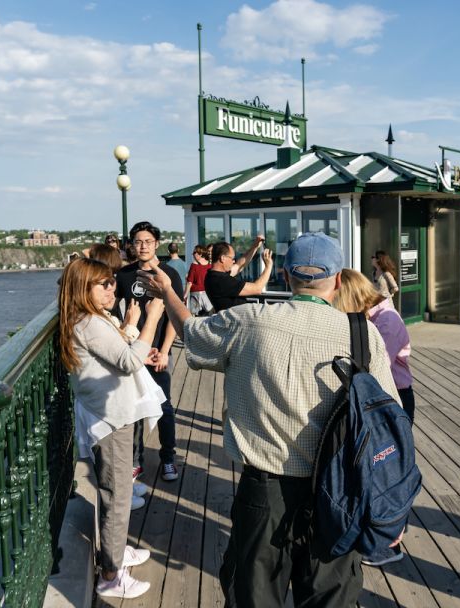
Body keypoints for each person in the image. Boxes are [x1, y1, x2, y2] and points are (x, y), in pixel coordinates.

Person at [137, 232, 402, 607]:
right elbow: (389, 421)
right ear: (338, 279)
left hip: (265, 493)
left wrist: (167, 293)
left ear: (287, 278)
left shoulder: (249, 322)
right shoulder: (363, 335)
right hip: (341, 491)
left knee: (254, 597)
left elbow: (192, 334)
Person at [58, 258, 165, 599]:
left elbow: (120, 353)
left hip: (111, 412)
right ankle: (110, 574)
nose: (111, 287)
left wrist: (131, 327)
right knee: (117, 496)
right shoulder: (89, 322)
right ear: (82, 288)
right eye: (102, 284)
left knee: (116, 491)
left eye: (110, 282)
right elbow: (129, 360)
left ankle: (115, 553)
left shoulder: (90, 319)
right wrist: (151, 319)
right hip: (110, 418)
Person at [333, 268, 415, 567]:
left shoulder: (386, 321)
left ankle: (389, 542)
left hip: (392, 400)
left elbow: (371, 365)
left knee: (387, 469)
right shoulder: (375, 316)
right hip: (378, 399)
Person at [114, 221, 184, 482]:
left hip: (158, 351)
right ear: (132, 245)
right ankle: (135, 461)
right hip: (132, 352)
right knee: (133, 409)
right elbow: (113, 313)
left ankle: (168, 458)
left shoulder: (168, 275)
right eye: (138, 241)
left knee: (164, 405)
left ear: (157, 243)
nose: (142, 246)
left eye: (148, 241)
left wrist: (165, 351)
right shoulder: (124, 275)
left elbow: (175, 318)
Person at [204, 238, 273, 311]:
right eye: (232, 258)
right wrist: (268, 266)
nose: (233, 261)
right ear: (223, 258)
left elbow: (239, 265)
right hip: (235, 321)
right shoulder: (220, 281)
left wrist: (255, 246)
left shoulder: (212, 275)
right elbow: (257, 288)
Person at [184, 244, 213, 316]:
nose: (192, 254)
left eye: (194, 253)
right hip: (207, 293)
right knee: (209, 315)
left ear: (200, 254)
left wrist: (185, 295)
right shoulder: (210, 266)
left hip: (195, 294)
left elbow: (189, 282)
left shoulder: (194, 265)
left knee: (195, 317)